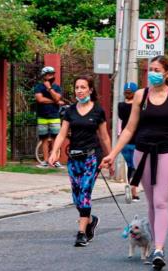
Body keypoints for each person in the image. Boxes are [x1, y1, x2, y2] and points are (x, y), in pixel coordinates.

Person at [102, 55, 168, 271]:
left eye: (157, 69)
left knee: (161, 202)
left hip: (167, 151)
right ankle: (153, 245)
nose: (153, 73)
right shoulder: (141, 95)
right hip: (142, 152)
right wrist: (112, 154)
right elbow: (130, 128)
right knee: (151, 202)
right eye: (150, 69)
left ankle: (159, 249)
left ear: (167, 73)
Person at [49, 75, 111, 247]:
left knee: (84, 192)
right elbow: (62, 134)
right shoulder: (70, 111)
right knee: (77, 197)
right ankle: (91, 220)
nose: (80, 90)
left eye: (83, 87)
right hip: (74, 157)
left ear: (90, 90)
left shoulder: (98, 111)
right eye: (77, 87)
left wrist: (110, 156)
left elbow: (104, 137)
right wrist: (54, 152)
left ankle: (81, 233)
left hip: (92, 156)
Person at [34, 66, 65, 169]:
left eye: (52, 74)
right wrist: (55, 101)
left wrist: (49, 88)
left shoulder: (57, 87)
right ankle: (46, 160)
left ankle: (55, 160)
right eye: (48, 74)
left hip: (54, 116)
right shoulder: (38, 87)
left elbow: (57, 97)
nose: (51, 76)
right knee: (44, 139)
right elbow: (40, 99)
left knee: (56, 139)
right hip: (42, 116)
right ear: (44, 76)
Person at [118, 82, 140, 202]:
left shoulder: (120, 106)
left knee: (130, 166)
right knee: (136, 166)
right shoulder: (139, 106)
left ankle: (129, 185)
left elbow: (121, 119)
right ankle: (133, 190)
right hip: (137, 140)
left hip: (124, 141)